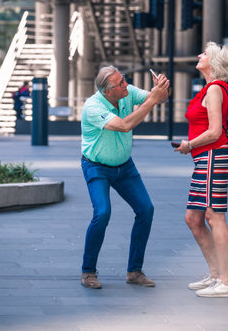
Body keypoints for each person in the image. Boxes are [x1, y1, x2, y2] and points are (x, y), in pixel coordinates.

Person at [81, 66, 169, 289]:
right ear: (108, 91)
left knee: (146, 209)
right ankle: (88, 272)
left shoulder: (126, 91)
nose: (125, 84)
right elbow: (124, 125)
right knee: (102, 213)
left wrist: (161, 88)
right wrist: (151, 101)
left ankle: (134, 271)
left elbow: (157, 98)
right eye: (120, 83)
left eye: (124, 80)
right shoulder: (93, 106)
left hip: (124, 166)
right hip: (96, 166)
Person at [173, 42, 228, 298]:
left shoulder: (214, 90)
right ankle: (216, 275)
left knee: (214, 216)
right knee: (194, 218)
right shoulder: (209, 89)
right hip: (205, 158)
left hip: (213, 156)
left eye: (205, 54)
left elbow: (214, 131)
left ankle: (227, 282)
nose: (200, 55)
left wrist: (189, 145)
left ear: (214, 62)